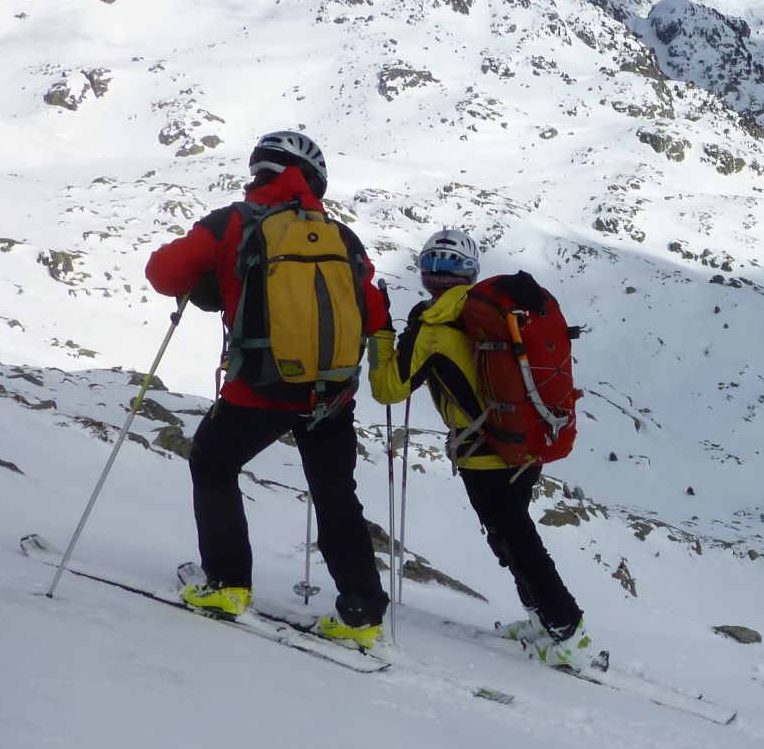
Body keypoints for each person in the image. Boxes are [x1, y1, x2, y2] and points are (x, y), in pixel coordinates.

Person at [145, 130, 391, 646]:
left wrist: (215, 278)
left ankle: (229, 584)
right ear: (315, 181)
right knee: (335, 494)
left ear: (260, 170)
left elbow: (164, 274)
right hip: (332, 395)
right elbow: (373, 310)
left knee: (213, 464)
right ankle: (363, 612)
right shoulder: (341, 236)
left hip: (260, 388)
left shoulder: (232, 221)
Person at [369, 230, 592, 671]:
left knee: (516, 539)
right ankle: (541, 618)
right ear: (471, 272)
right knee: (509, 535)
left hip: (484, 451)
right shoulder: (492, 312)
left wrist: (381, 333)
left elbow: (388, 389)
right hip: (525, 444)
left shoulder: (433, 327)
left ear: (426, 275)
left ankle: (568, 630)